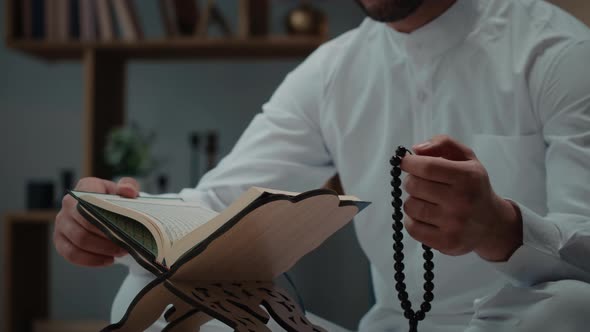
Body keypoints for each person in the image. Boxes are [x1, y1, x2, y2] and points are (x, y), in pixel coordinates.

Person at [54, 0, 590, 331]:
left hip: (522, 324)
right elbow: (220, 206)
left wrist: (503, 227)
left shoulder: (557, 52)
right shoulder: (333, 71)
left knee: (570, 308)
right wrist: (119, 221)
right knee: (153, 299)